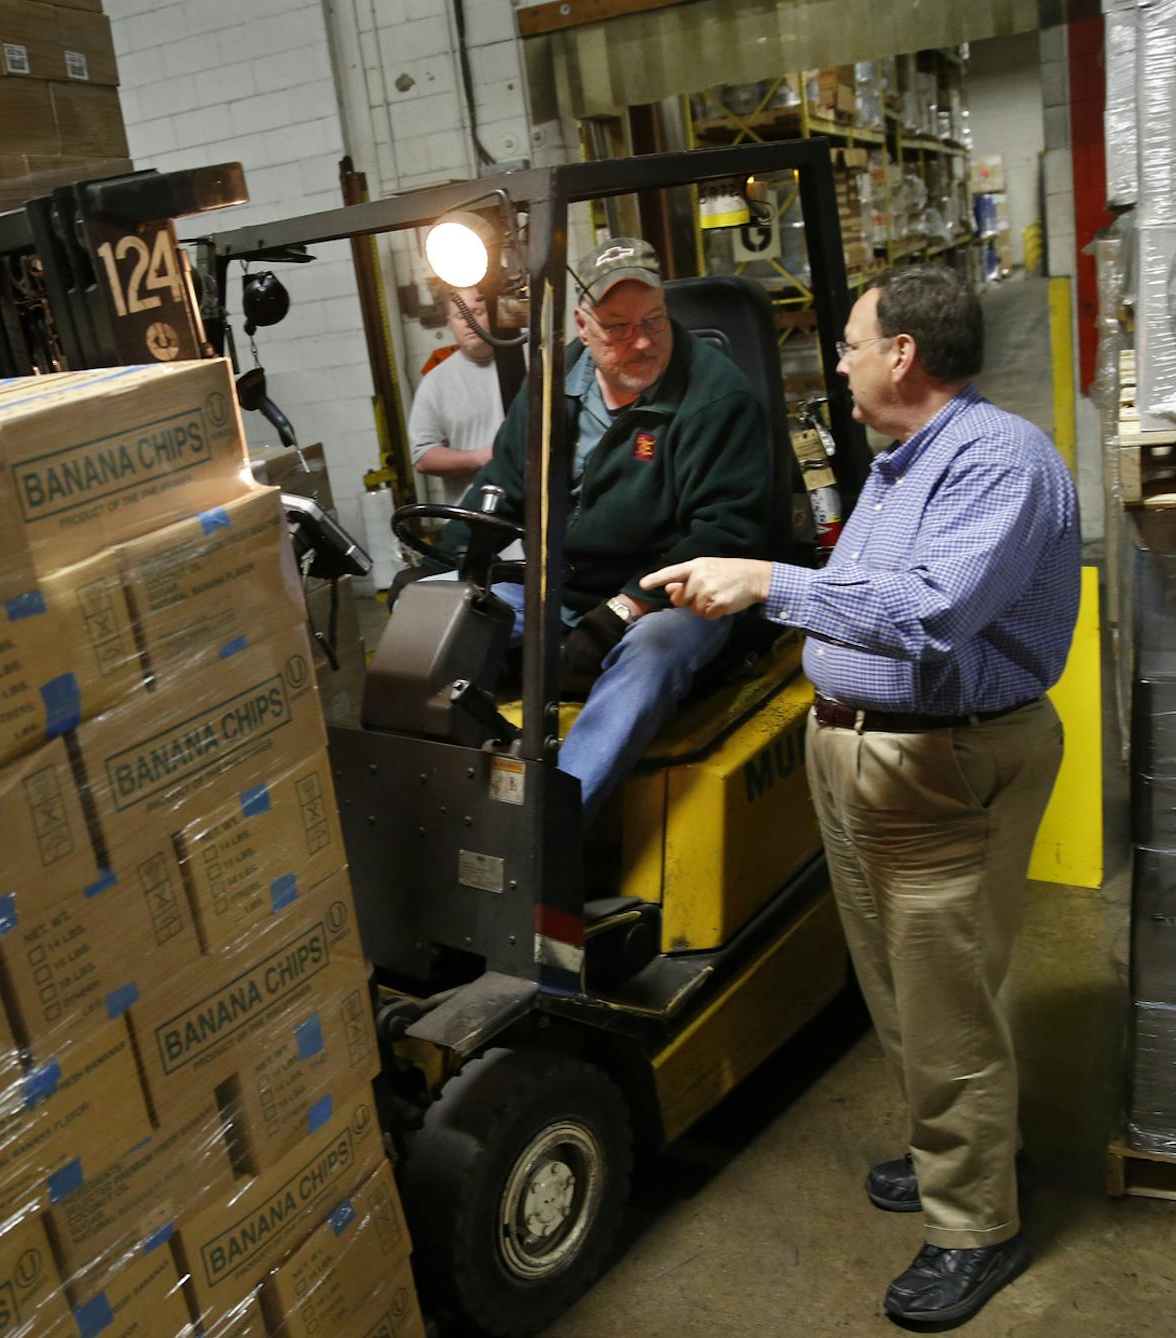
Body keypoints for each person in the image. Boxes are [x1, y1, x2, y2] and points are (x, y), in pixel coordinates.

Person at [645, 265, 1079, 1328]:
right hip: (861, 753)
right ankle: (952, 1147)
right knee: (895, 983)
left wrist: (766, 581)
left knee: (947, 999)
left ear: (903, 354)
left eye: (847, 342)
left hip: (946, 762)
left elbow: (929, 613)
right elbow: (868, 599)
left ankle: (976, 1222)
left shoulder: (999, 461)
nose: (836, 361)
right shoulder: (899, 463)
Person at [450, 237, 775, 818]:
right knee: (447, 622)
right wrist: (444, 571)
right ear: (582, 322)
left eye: (654, 320)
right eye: (618, 327)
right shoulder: (552, 385)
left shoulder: (716, 399)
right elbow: (505, 485)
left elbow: (724, 534)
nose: (644, 340)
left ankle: (550, 832)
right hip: (564, 585)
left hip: (680, 595)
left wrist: (627, 606)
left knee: (651, 654)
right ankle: (447, 811)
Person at [407, 288, 506, 484]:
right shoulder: (435, 383)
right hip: (473, 509)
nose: (470, 322)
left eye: (478, 312)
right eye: (461, 315)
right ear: (449, 322)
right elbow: (422, 457)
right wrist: (480, 458)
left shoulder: (529, 360)